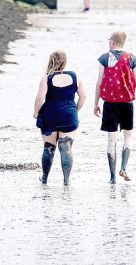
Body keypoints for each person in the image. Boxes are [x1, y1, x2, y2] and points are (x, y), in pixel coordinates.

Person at [93, 31, 136, 184]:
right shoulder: (132, 58)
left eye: (110, 41)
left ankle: (112, 177)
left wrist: (96, 103)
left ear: (113, 42)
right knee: (128, 136)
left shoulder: (104, 58)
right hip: (127, 104)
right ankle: (123, 167)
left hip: (109, 103)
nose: (109, 43)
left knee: (111, 140)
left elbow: (99, 83)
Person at [33, 51, 86, 186]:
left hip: (50, 115)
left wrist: (36, 113)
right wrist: (75, 110)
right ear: (65, 62)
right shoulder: (75, 76)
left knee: (48, 147)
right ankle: (66, 181)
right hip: (69, 115)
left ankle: (44, 178)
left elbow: (40, 97)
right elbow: (83, 97)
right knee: (66, 146)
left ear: (51, 61)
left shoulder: (46, 77)